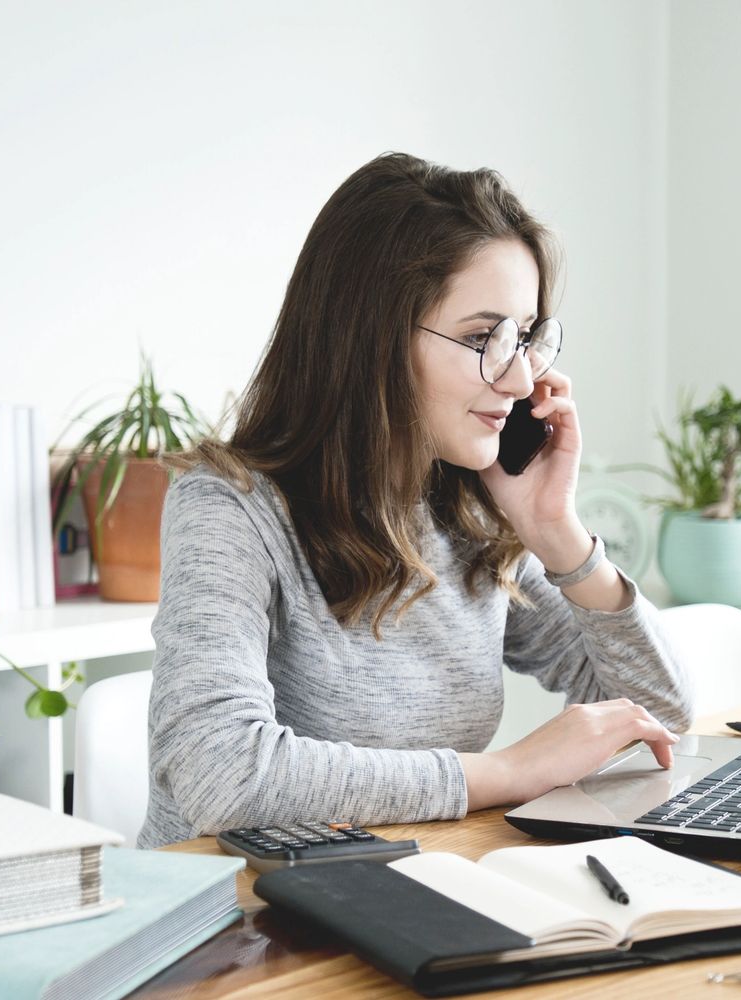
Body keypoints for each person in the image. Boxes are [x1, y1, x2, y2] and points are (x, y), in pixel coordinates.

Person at [136, 152, 695, 849]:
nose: (521, 378)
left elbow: (659, 715)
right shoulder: (231, 506)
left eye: (523, 337)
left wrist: (557, 533)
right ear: (368, 340)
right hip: (236, 921)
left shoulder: (469, 508)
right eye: (479, 338)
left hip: (404, 886)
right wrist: (506, 773)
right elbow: (220, 772)